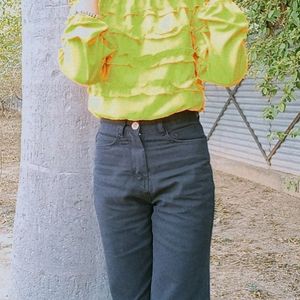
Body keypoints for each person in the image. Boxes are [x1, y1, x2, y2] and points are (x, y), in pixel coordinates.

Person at [58, 0, 249, 299]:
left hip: (180, 152)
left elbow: (227, 72)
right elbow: (83, 71)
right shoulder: (92, 4)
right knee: (127, 291)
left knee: (181, 291)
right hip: (114, 151)